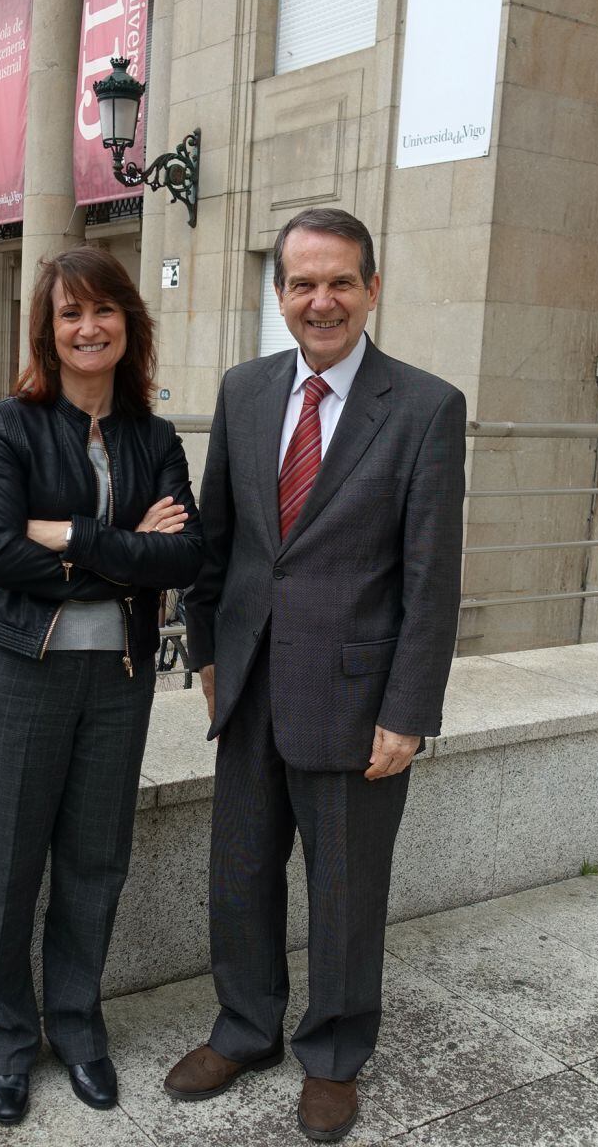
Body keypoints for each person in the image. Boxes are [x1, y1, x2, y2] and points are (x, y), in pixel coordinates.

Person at [165, 208, 466, 1142]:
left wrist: (408, 712)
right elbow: (216, 541)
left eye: (340, 282)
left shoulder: (424, 407)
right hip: (250, 681)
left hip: (356, 696)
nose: (321, 300)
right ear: (280, 293)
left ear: (372, 288)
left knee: (344, 891)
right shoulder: (246, 390)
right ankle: (246, 1027)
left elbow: (432, 576)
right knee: (240, 874)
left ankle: (334, 1052)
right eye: (302, 283)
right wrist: (207, 651)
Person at [0, 246, 202, 1127]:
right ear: (49, 331)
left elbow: (185, 553)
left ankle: (77, 1025)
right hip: (24, 673)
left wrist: (70, 534)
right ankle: (2, 1039)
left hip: (120, 677)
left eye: (104, 311)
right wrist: (123, 550)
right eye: (70, 314)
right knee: (12, 861)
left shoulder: (154, 436)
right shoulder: (7, 426)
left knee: (96, 862)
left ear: (128, 325)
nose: (88, 327)